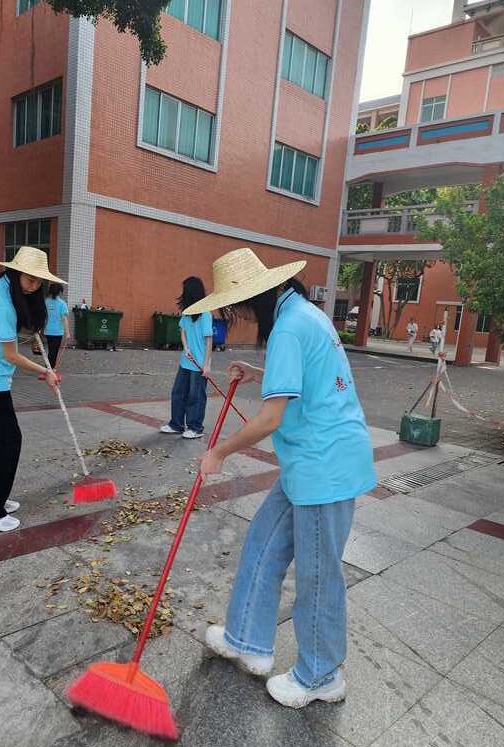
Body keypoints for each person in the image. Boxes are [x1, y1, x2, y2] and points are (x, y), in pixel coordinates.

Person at [187, 248, 376, 709]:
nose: (243, 318)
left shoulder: (290, 327)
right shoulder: (301, 313)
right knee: (265, 541)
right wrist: (260, 373)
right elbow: (299, 380)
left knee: (317, 572)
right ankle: (247, 638)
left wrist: (220, 452)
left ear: (259, 297)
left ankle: (321, 676)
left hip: (324, 467)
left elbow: (271, 418)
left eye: (242, 309)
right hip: (309, 462)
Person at [0, 246, 65, 533]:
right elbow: (10, 355)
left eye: (38, 281)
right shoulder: (0, 302)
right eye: (30, 280)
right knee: (8, 442)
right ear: (16, 271)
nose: (34, 286)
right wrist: (46, 371)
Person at [160, 276, 213, 439]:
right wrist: (186, 347)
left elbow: (209, 340)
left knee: (195, 396)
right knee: (178, 392)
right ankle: (176, 424)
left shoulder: (205, 314)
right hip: (186, 361)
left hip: (199, 364)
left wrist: (207, 365)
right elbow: (182, 331)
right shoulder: (187, 313)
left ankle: (195, 427)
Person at [43, 282, 70, 373]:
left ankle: (48, 367)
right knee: (54, 351)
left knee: (51, 350)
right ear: (60, 292)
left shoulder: (46, 302)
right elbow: (64, 319)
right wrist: (67, 332)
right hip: (57, 331)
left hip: (48, 330)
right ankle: (50, 369)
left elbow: (43, 316)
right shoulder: (62, 303)